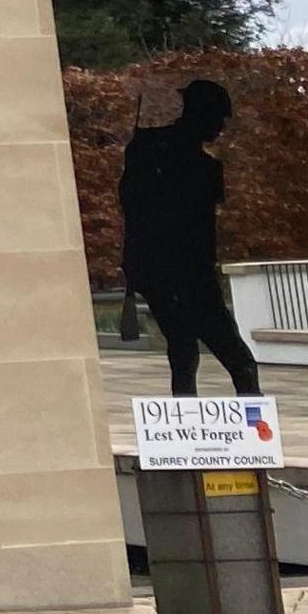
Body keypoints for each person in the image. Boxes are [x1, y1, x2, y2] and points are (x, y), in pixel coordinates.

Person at [117, 78, 262, 397]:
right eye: (219, 118)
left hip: (169, 272)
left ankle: (192, 430)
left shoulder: (153, 151)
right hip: (181, 273)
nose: (222, 127)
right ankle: (249, 431)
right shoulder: (188, 163)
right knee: (234, 360)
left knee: (185, 354)